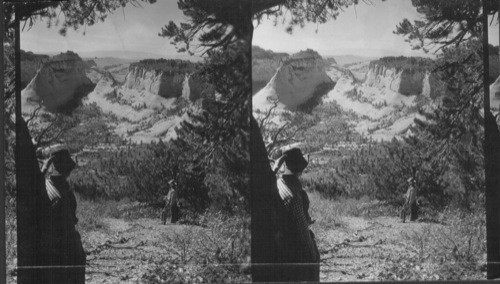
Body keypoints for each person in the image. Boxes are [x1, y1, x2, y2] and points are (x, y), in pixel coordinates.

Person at [38, 143, 86, 284]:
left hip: (52, 246)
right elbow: (73, 218)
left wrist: (44, 170)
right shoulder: (64, 191)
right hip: (66, 246)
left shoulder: (45, 185)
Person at [274, 148, 320, 282]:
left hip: (283, 244)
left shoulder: (279, 182)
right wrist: (313, 256)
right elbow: (301, 229)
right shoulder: (294, 196)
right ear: (298, 170)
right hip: (295, 248)